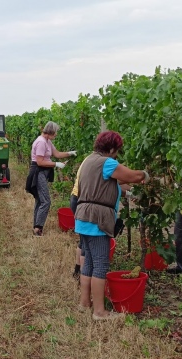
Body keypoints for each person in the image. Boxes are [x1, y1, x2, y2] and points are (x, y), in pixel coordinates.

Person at [74, 131, 149, 320]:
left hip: (83, 217)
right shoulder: (107, 163)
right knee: (100, 264)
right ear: (113, 148)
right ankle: (100, 312)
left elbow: (112, 184)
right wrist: (146, 176)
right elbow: (132, 176)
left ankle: (85, 303)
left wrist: (130, 192)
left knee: (89, 262)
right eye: (118, 151)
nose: (118, 155)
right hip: (97, 219)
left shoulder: (89, 161)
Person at [25, 121, 76, 236]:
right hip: (38, 173)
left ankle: (36, 227)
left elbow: (57, 154)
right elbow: (40, 162)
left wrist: (70, 153)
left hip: (42, 173)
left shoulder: (47, 141)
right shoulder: (41, 142)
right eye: (55, 132)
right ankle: (38, 229)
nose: (56, 135)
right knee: (46, 201)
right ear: (51, 132)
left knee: (40, 200)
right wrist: (56, 164)